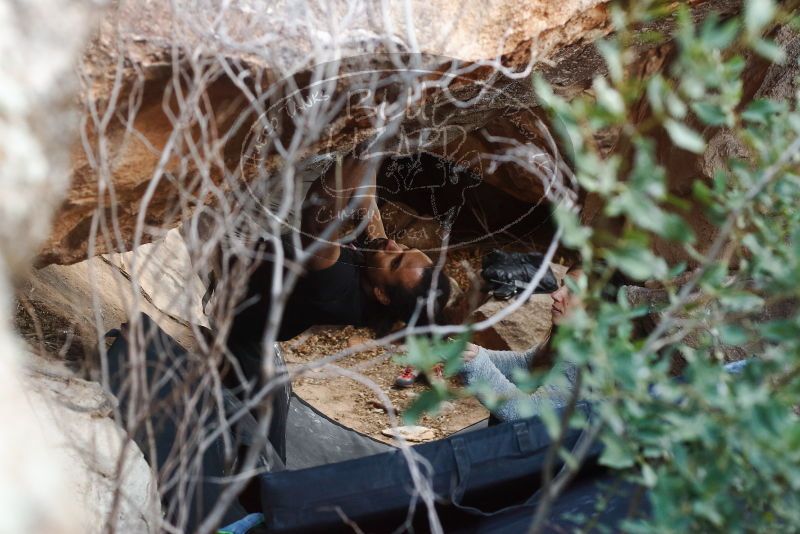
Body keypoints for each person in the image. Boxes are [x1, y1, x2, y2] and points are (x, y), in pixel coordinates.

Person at [223, 153, 452, 348]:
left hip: (233, 264)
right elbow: (365, 200)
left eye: (395, 261)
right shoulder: (375, 271)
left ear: (381, 294)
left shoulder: (337, 287)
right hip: (277, 243)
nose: (393, 244)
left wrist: (363, 147)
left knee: (273, 166)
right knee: (325, 163)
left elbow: (318, 218)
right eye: (405, 249)